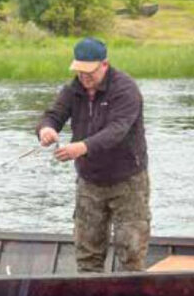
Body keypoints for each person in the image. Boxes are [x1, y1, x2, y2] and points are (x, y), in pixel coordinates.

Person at [36, 38, 150, 272]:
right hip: (89, 181)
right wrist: (46, 129)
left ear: (105, 65)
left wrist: (82, 147)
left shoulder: (126, 89)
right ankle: (90, 292)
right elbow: (53, 115)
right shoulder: (73, 89)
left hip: (127, 180)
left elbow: (117, 130)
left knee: (130, 248)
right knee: (87, 251)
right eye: (79, 71)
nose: (84, 77)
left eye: (89, 72)